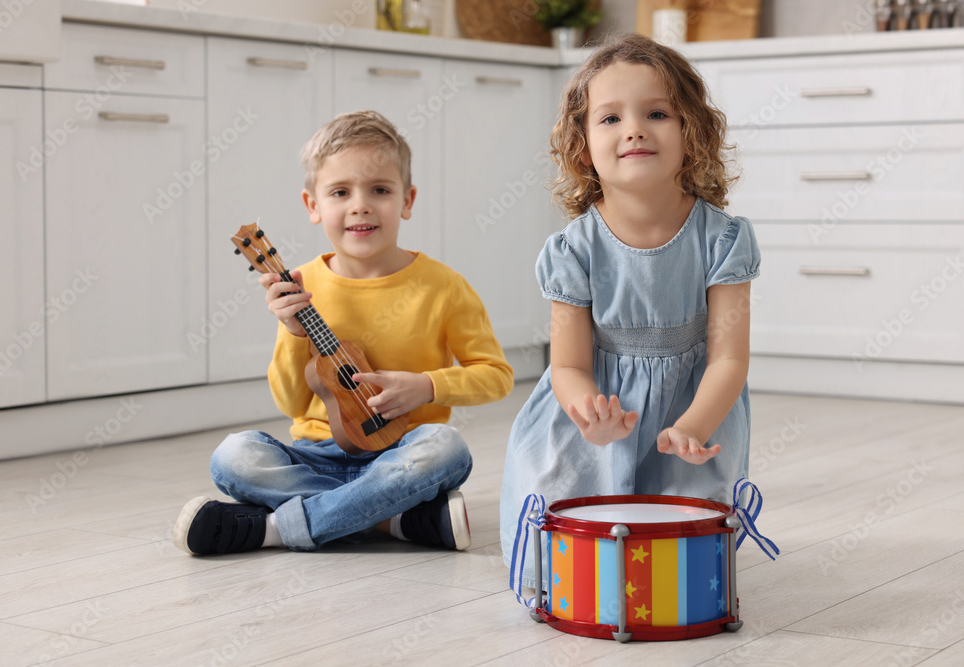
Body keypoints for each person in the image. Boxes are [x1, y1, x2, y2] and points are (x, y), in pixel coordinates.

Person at [175, 110, 514, 556]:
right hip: (315, 456)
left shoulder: (443, 286)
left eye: (380, 190)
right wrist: (291, 334)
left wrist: (427, 386)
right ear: (313, 206)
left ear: (407, 201)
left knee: (446, 447)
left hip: (401, 454)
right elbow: (291, 403)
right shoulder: (301, 286)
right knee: (234, 456)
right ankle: (393, 519)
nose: (360, 205)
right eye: (340, 191)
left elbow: (496, 376)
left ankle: (274, 529)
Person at [499, 34, 760, 584]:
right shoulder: (574, 249)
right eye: (610, 118)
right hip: (595, 408)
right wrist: (589, 413)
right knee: (559, 513)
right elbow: (568, 365)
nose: (634, 129)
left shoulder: (722, 239)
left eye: (657, 113)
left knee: (685, 539)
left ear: (693, 131)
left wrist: (694, 426)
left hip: (691, 407)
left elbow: (729, 359)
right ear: (582, 145)